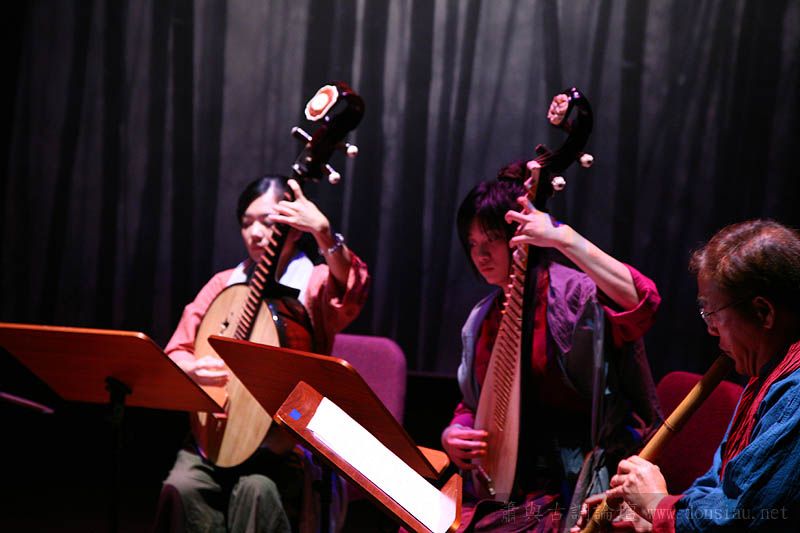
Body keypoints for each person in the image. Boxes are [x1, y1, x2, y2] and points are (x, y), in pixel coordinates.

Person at [440, 163, 662, 532]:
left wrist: (562, 236)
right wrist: (456, 432)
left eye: (491, 239)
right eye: (473, 243)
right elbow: (474, 403)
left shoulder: (573, 294)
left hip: (570, 487)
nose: (480, 255)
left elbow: (642, 303)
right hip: (505, 483)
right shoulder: (483, 317)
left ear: (521, 235)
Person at [153, 175, 370, 533]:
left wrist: (324, 234)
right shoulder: (224, 283)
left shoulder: (314, 283)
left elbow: (351, 290)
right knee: (181, 487)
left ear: (293, 228)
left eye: (267, 222)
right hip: (219, 435)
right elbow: (177, 349)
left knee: (258, 491)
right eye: (246, 223)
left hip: (282, 444)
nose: (255, 233)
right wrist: (191, 369)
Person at [573, 219, 800, 532]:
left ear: (764, 313)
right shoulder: (765, 376)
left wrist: (657, 505)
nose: (710, 330)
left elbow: (740, 520)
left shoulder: (794, 395)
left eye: (712, 313)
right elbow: (718, 489)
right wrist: (646, 516)